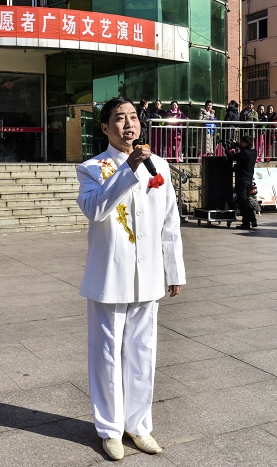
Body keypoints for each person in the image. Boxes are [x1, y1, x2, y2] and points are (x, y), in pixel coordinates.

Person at [75, 97, 185, 461]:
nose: (129, 124)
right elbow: (95, 209)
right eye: (119, 118)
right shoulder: (92, 168)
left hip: (148, 275)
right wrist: (128, 169)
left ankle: (138, 426)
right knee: (106, 354)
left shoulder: (160, 166)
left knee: (143, 352)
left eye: (133, 117)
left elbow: (170, 222)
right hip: (110, 277)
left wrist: (174, 269)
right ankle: (110, 430)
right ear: (105, 128)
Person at [228, 135, 258, 229]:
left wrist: (226, 150)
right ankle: (253, 220)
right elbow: (244, 148)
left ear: (245, 143)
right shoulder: (254, 152)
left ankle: (246, 223)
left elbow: (232, 156)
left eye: (242, 142)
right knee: (246, 200)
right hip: (249, 180)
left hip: (242, 181)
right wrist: (236, 143)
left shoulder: (244, 153)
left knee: (243, 202)